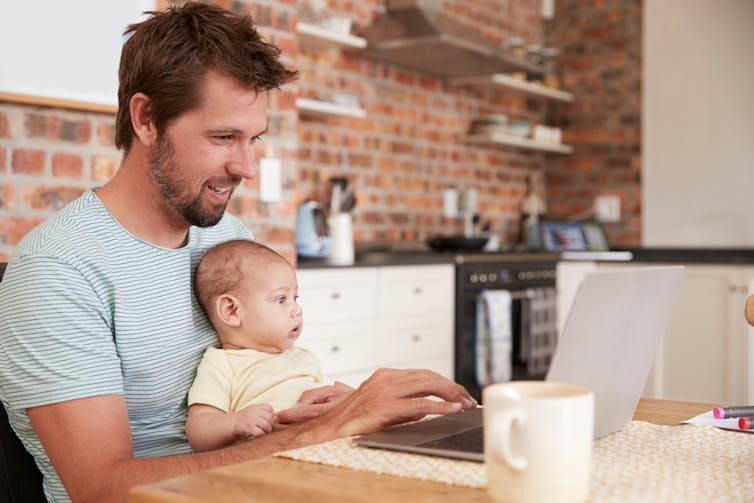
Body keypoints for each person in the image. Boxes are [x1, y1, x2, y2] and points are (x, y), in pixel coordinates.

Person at [0, 3, 476, 503]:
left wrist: (326, 405)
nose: (247, 166)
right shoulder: (58, 273)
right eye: (223, 136)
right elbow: (100, 488)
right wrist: (321, 432)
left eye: (253, 138)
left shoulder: (225, 238)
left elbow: (257, 377)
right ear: (146, 119)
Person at [186, 239, 353, 451]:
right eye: (281, 299)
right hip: (276, 455)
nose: (298, 309)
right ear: (232, 311)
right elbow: (198, 430)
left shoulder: (302, 355)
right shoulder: (221, 364)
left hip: (329, 442)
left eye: (295, 297)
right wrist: (234, 423)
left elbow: (332, 391)